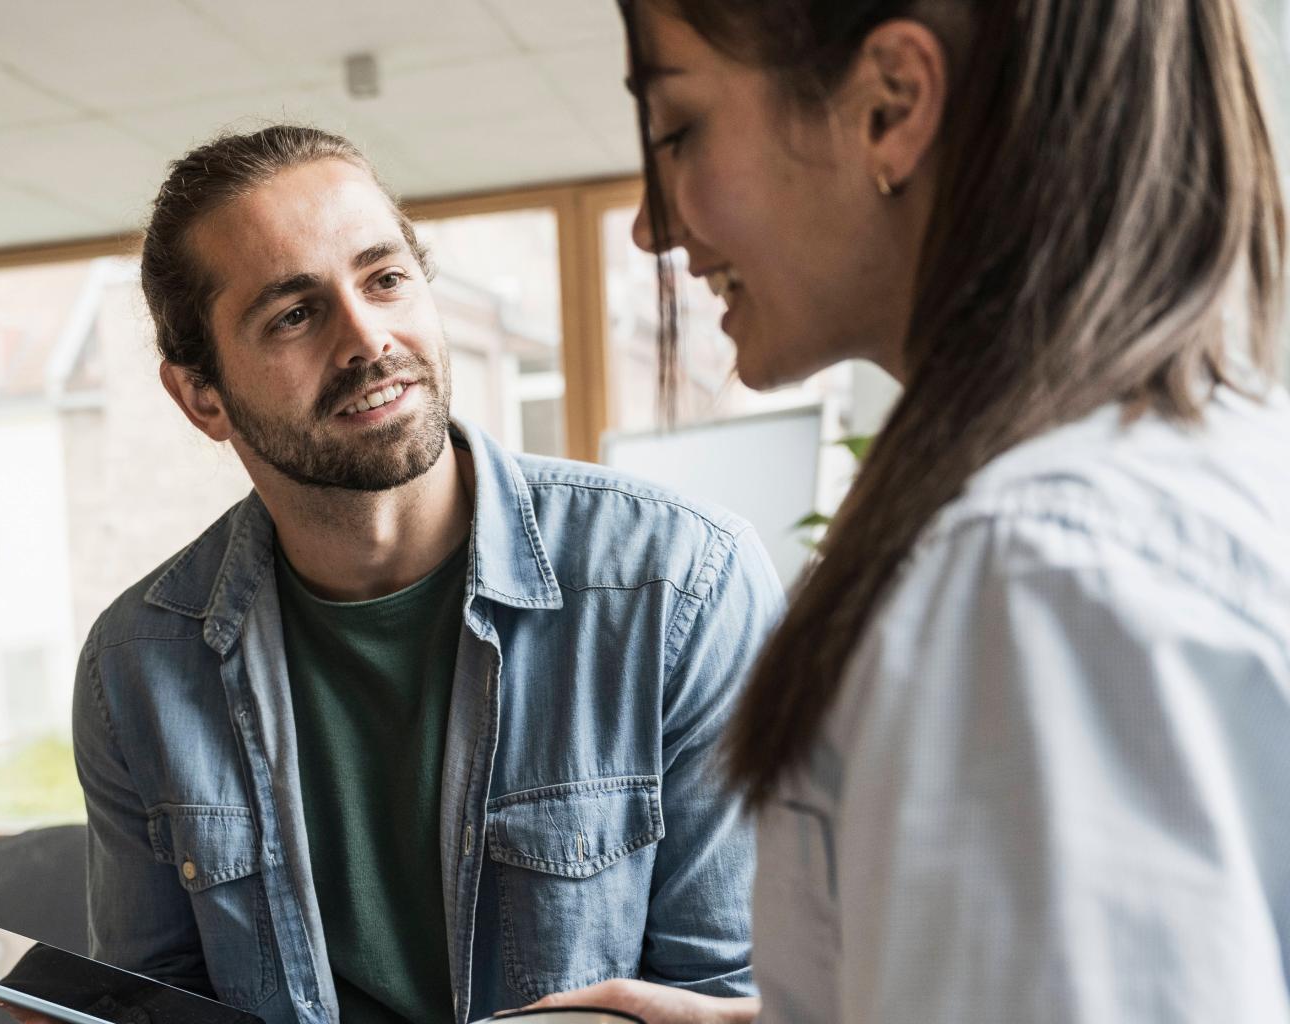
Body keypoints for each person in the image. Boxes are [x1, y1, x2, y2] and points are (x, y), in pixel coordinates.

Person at [538, 1, 1290, 1021]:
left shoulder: (1029, 579)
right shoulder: (1180, 470)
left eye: (677, 130)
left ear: (888, 105)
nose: (652, 225)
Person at [72, 125, 785, 1024]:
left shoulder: (680, 585)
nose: (367, 339)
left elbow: (725, 998)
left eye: (384, 278)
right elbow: (154, 1004)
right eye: (294, 314)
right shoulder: (136, 665)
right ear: (201, 396)